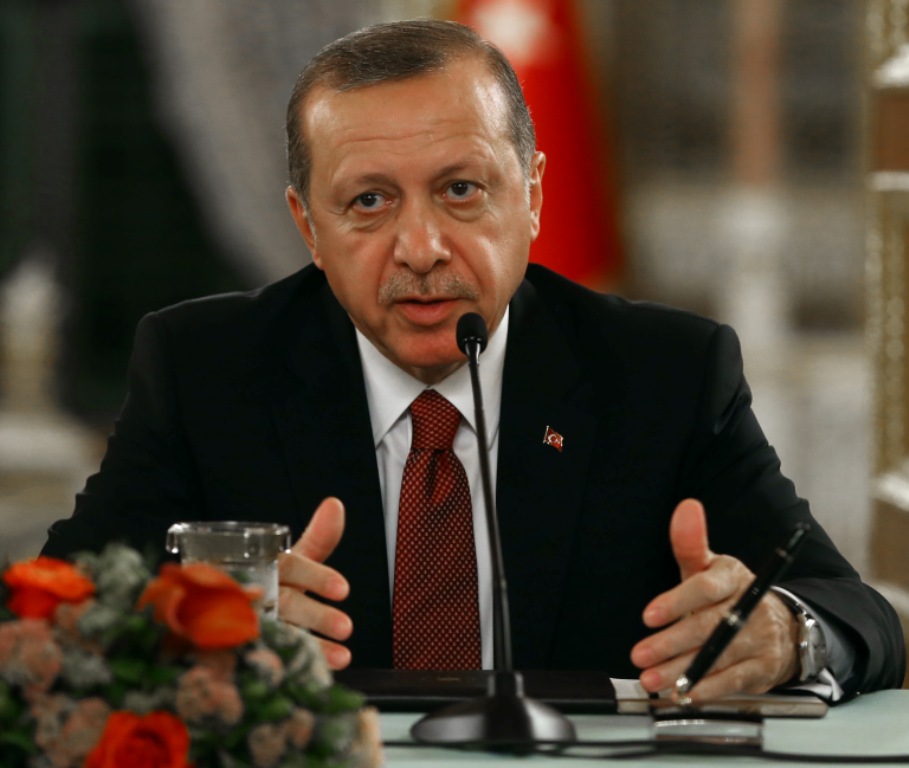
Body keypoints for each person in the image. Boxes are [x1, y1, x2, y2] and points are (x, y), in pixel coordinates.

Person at [43, 19, 904, 703]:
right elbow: (50, 609)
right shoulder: (207, 367)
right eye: (370, 202)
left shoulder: (661, 373)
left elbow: (856, 614)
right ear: (308, 228)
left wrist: (785, 636)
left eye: (460, 190)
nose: (420, 249)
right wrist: (186, 619)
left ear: (529, 195)